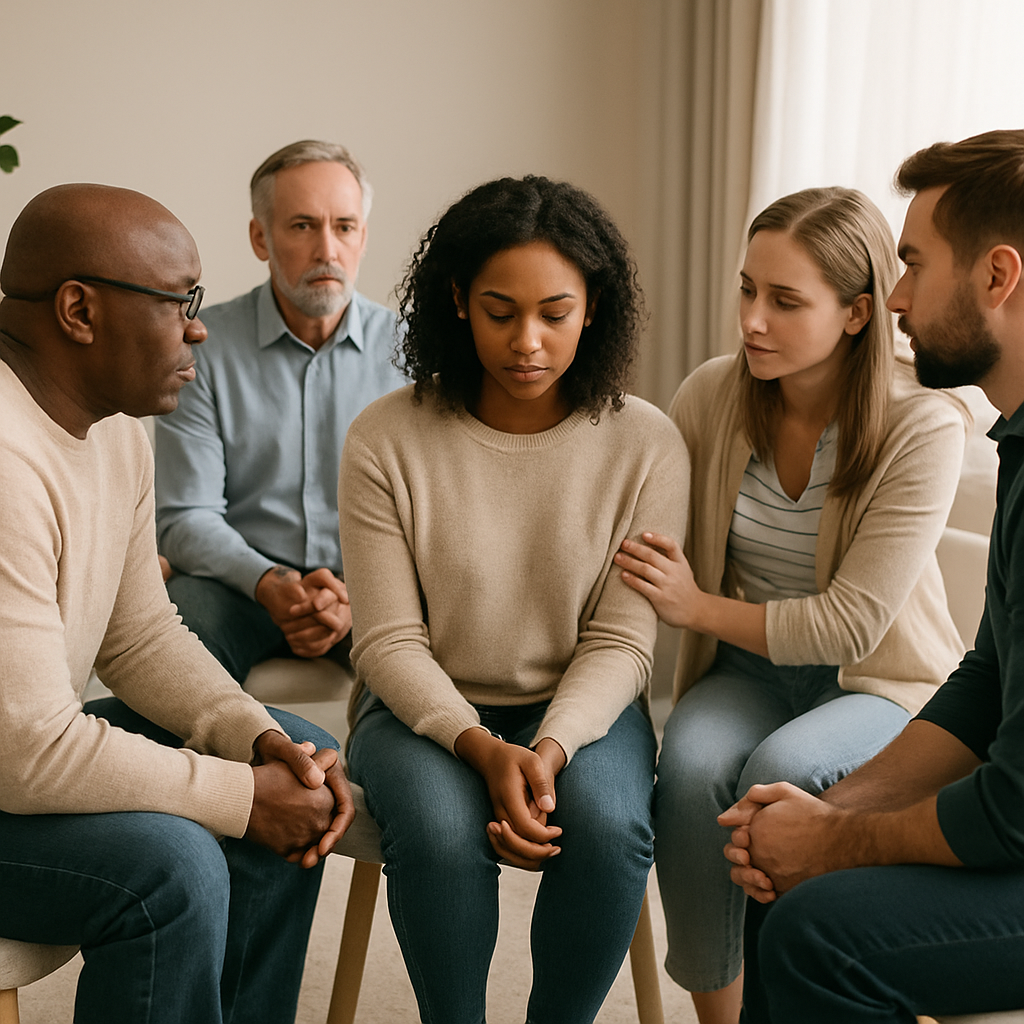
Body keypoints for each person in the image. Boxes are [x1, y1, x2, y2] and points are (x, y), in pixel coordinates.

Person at [613, 186, 969, 1024]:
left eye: (783, 301)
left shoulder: (924, 424)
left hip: (877, 684)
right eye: (747, 289)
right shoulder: (710, 396)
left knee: (784, 774)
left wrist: (694, 608)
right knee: (694, 771)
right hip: (750, 669)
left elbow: (853, 623)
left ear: (855, 313)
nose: (752, 321)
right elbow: (646, 529)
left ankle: (795, 1004)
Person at [338, 175, 688, 1024]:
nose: (527, 341)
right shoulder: (387, 437)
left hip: (582, 711)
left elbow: (622, 640)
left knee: (610, 832)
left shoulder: (646, 442)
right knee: (439, 833)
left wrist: (553, 748)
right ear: (457, 301)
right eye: (501, 312)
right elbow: (386, 641)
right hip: (423, 710)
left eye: (555, 314)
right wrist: (483, 748)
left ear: (593, 307)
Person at [0, 183, 354, 1024]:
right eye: (178, 302)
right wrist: (240, 794)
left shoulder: (113, 425)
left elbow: (140, 635)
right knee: (177, 862)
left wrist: (255, 738)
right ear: (79, 311)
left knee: (295, 749)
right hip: (10, 763)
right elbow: (28, 752)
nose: (199, 328)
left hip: (15, 757)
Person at [717, 130, 1024, 1023]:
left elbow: (1011, 809)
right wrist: (828, 811)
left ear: (997, 277)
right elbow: (986, 680)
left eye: (915, 265)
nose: (895, 297)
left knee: (822, 928)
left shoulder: (931, 427)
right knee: (785, 870)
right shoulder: (1018, 445)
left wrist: (837, 840)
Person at [155, 140, 404, 683]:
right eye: (301, 226)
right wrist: (268, 580)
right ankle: (229, 769)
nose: (327, 251)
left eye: (344, 226)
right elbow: (184, 516)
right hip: (237, 583)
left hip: (377, 584)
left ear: (362, 236)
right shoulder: (202, 346)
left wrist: (358, 600)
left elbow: (434, 521)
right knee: (178, 641)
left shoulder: (414, 355)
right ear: (260, 238)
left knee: (445, 649)